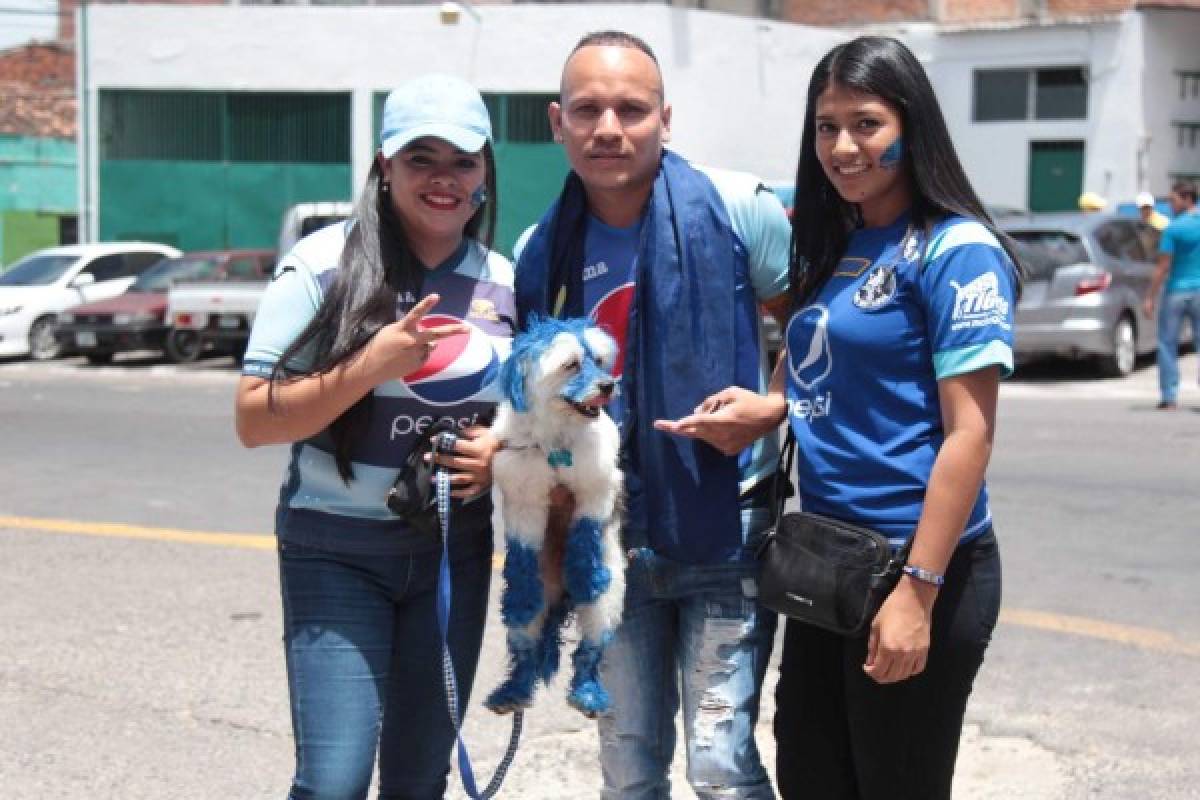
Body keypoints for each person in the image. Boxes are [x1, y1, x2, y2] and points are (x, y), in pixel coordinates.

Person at [668, 36, 1021, 799]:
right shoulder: (841, 244)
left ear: (911, 127)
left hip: (917, 566)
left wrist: (918, 593)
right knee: (811, 776)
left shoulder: (955, 251)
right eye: (827, 127)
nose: (842, 146)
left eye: (866, 123)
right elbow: (817, 355)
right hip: (829, 564)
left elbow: (970, 435)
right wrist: (771, 406)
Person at [512, 31, 793, 800]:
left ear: (665, 117)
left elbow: (818, 331)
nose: (610, 128)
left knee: (720, 765)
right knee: (628, 765)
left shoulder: (739, 209)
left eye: (631, 109)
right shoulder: (541, 251)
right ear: (556, 122)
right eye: (588, 109)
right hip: (608, 536)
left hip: (724, 524)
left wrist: (771, 408)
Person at [234, 74, 513, 800]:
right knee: (334, 782)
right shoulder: (321, 267)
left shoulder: (508, 282)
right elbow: (253, 420)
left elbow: (539, 419)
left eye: (462, 160)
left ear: (486, 170)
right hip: (336, 553)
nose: (443, 179)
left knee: (420, 780)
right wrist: (369, 366)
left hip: (454, 556)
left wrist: (504, 453)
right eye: (421, 158)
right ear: (385, 167)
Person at [1143, 179, 1200, 410]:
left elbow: (1163, 266)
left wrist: (1150, 296)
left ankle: (1169, 396)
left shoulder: (1173, 229)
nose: (1169, 205)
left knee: (1167, 343)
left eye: (1173, 200)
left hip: (1176, 290)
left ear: (1187, 199)